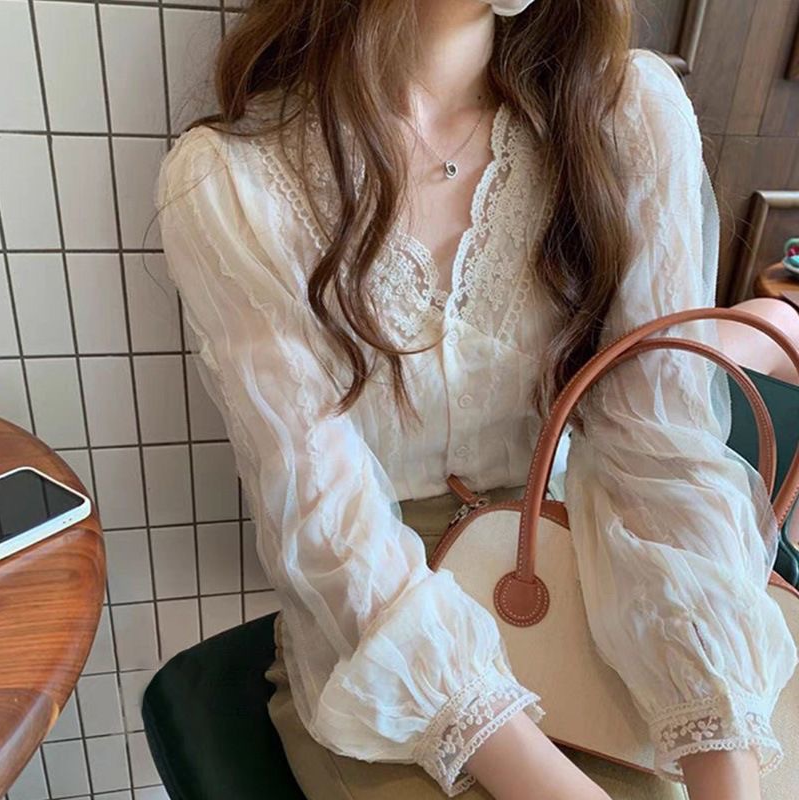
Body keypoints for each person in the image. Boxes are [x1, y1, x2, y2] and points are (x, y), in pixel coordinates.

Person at [153, 1, 799, 798]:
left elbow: (658, 454)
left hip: (589, 561)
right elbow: (326, 524)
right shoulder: (235, 181)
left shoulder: (623, 115)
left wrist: (720, 747)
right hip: (384, 632)